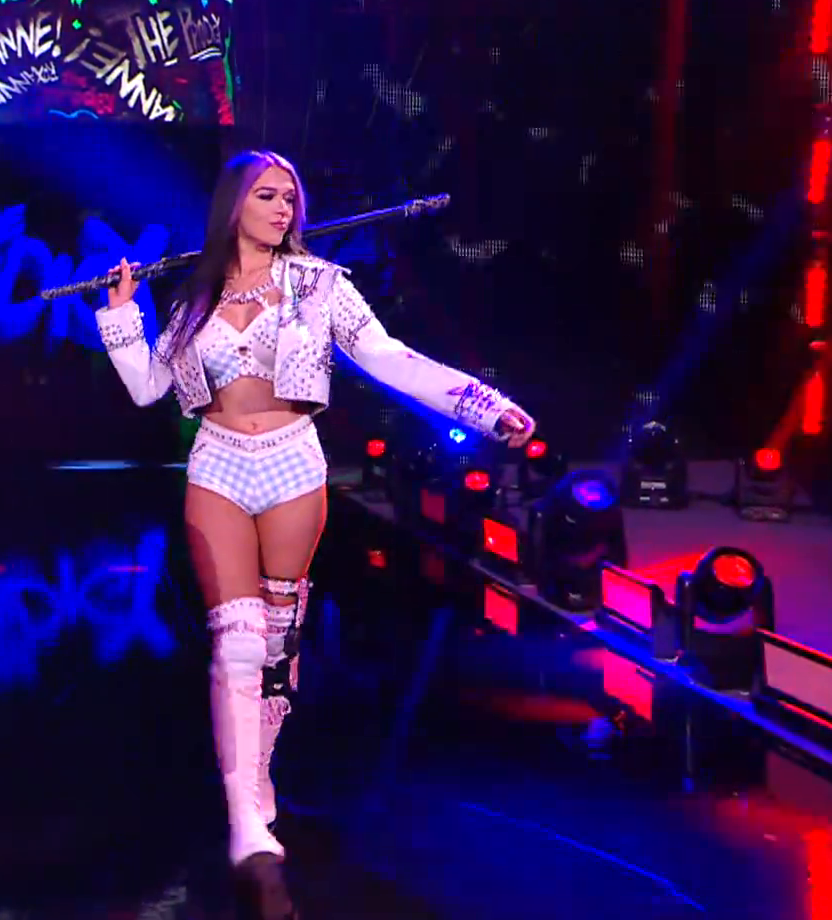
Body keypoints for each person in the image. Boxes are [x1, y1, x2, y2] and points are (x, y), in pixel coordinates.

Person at [95, 151, 535, 916]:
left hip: (293, 464)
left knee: (275, 644)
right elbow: (146, 388)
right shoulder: (194, 296)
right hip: (216, 466)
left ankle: (257, 774)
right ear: (233, 204)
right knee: (235, 641)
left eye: (291, 198)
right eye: (267, 195)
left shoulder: (323, 285)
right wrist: (122, 316)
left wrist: (481, 403)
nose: (283, 209)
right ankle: (245, 817)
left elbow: (390, 359)